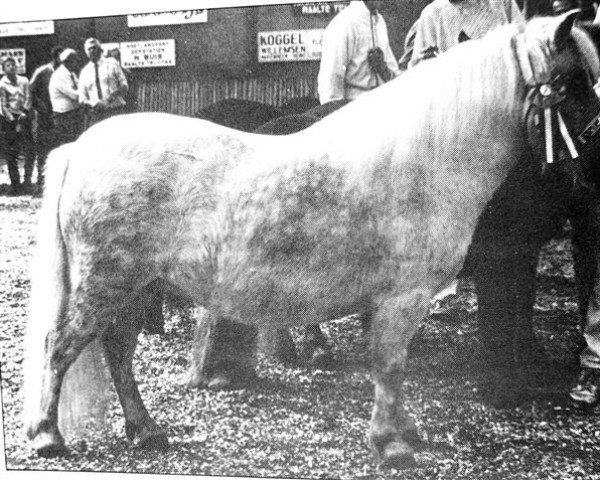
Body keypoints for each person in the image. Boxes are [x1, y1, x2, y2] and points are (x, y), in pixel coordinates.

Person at [317, 0, 400, 104]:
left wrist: (383, 68)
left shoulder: (380, 21)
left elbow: (394, 77)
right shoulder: (344, 24)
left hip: (383, 104)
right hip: (354, 108)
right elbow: (330, 83)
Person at [409, 0, 525, 68]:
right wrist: (424, 66)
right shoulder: (432, 14)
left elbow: (526, 51)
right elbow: (417, 76)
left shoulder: (502, 3)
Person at [29, 45, 64, 190]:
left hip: (58, 114)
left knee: (57, 147)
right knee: (42, 149)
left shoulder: (64, 73)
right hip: (43, 116)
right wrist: (39, 106)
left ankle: (55, 182)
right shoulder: (43, 72)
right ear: (56, 57)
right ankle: (41, 182)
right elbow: (31, 91)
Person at [0, 56, 34, 195]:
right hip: (9, 121)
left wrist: (24, 113)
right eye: (8, 65)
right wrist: (13, 120)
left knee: (29, 151)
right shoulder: (2, 84)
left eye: (13, 65)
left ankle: (27, 181)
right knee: (11, 154)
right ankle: (16, 185)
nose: (12, 67)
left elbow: (28, 98)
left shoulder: (24, 80)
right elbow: (3, 105)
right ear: (3, 69)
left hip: (24, 117)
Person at [78, 37, 128, 128]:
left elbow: (124, 85)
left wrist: (111, 97)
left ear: (100, 49)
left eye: (94, 48)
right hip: (97, 114)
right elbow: (82, 99)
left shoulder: (112, 63)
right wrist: (94, 104)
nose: (92, 51)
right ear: (86, 53)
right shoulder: (84, 72)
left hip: (115, 110)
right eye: (89, 49)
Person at [49, 48, 84, 146]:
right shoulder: (59, 76)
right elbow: (75, 95)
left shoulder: (71, 74)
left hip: (74, 114)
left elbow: (80, 88)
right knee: (67, 144)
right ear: (67, 61)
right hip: (64, 116)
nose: (77, 63)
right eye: (75, 60)